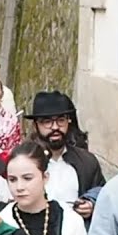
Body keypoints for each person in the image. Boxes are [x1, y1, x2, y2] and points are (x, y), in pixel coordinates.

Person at [23, 91, 105, 221]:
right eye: (47, 122)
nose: (55, 127)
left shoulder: (86, 161)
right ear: (35, 125)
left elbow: (102, 192)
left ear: (68, 121)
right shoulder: (24, 161)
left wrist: (91, 203)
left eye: (61, 120)